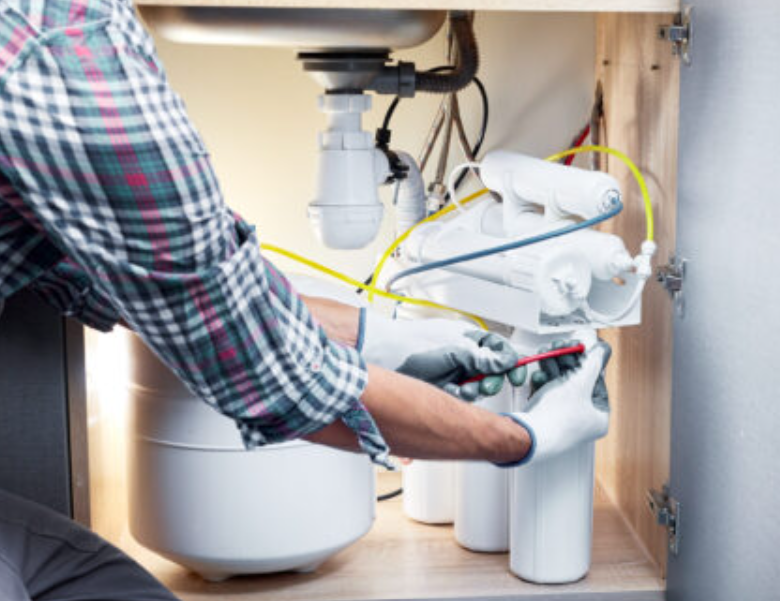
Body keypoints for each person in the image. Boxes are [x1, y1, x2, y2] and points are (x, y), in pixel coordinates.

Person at [0, 1, 612, 598]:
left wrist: (387, 338)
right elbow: (262, 367)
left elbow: (157, 280)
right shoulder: (63, 49)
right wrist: (524, 439)